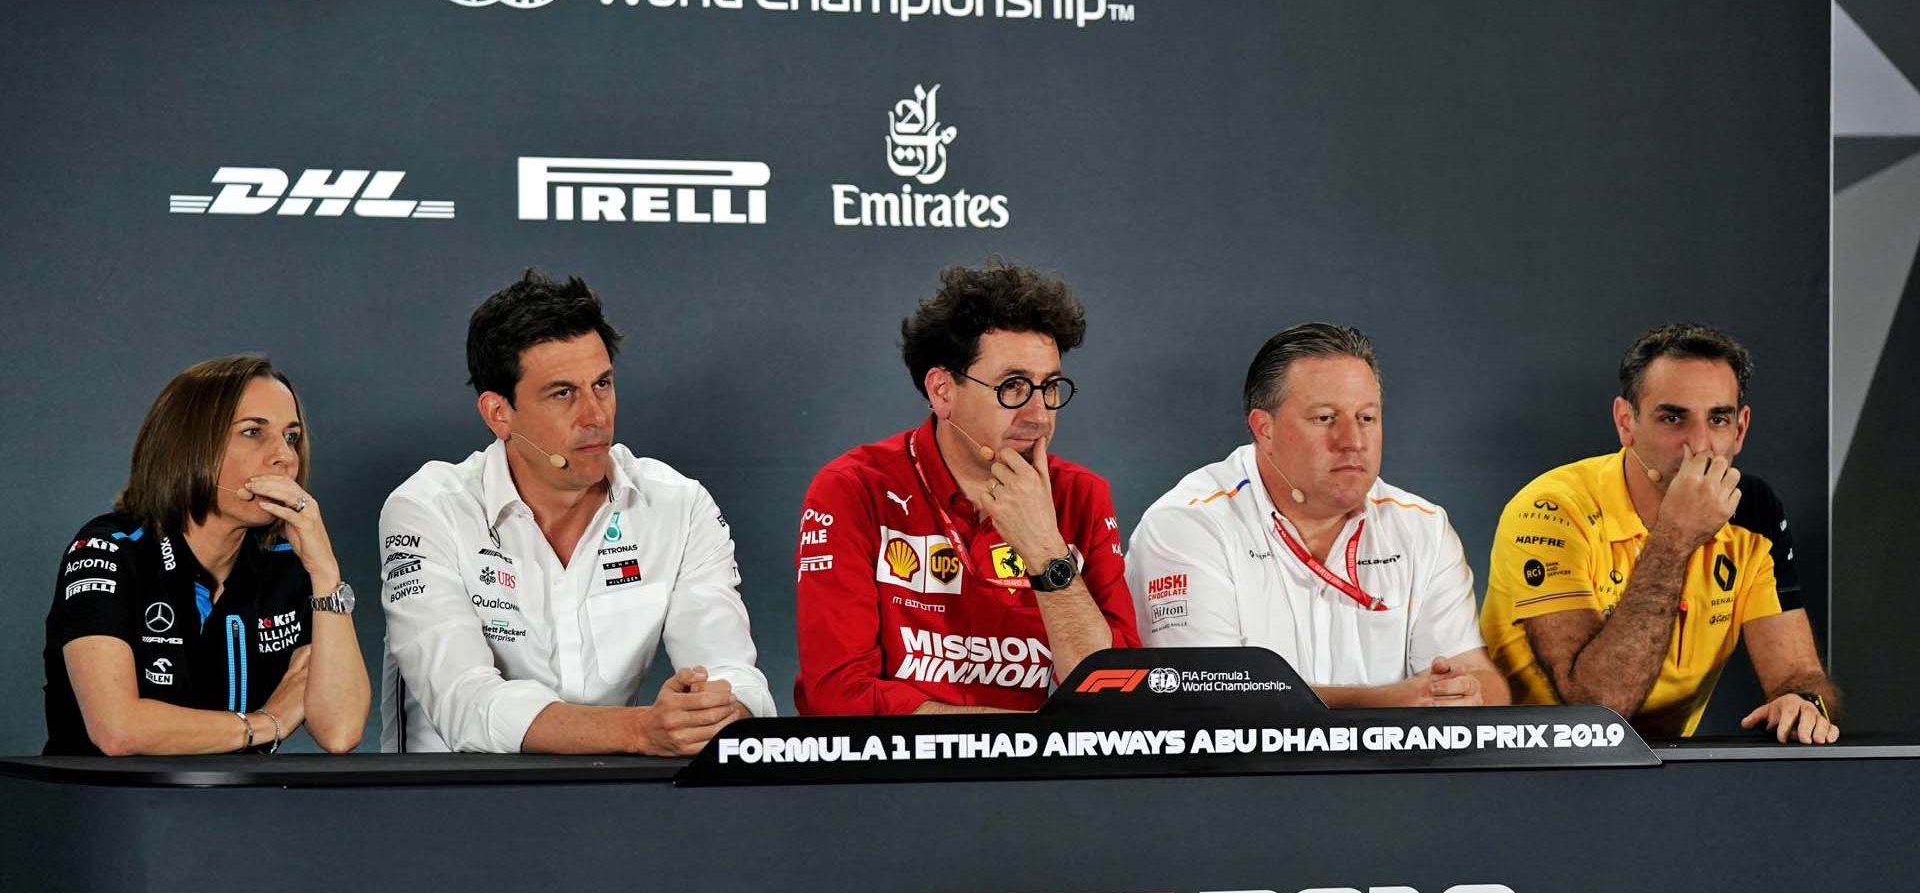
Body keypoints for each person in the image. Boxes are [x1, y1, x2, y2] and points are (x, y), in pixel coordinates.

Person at [380, 270, 772, 754]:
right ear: (498, 413)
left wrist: (720, 709)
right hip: (444, 805)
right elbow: (465, 706)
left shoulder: (679, 506)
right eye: (563, 393)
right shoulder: (426, 509)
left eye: (602, 384)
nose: (596, 415)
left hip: (605, 805)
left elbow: (733, 671)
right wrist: (639, 730)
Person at [793, 259, 1139, 715]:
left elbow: (1118, 701)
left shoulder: (1081, 496)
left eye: (1051, 387)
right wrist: (1021, 739)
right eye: (1012, 386)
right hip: (893, 777)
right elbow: (839, 696)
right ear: (941, 391)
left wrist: (1045, 553)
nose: (1039, 415)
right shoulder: (854, 489)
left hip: (1031, 781)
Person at [1480, 323, 1839, 742]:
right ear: (1625, 422)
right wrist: (1674, 538)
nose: (1700, 446)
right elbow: (1596, 711)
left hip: (1667, 773)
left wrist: (1802, 702)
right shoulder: (1551, 509)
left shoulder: (1752, 510)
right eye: (1673, 418)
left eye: (1718, 419)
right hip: (1528, 767)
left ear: (1740, 429)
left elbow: (1798, 672)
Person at [1127, 323, 1507, 707]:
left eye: (1367, 418)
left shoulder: (1423, 527)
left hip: (1393, 769)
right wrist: (1382, 704)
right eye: (1325, 418)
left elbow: (1478, 675)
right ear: (1264, 428)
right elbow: (1205, 696)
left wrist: (1464, 692)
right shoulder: (1187, 524)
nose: (1352, 442)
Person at [44, 355, 370, 755]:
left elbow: (340, 730)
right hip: (113, 810)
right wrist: (267, 723)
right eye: (253, 432)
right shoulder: (110, 549)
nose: (284, 457)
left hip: (236, 812)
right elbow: (118, 730)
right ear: (188, 446)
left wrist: (325, 571)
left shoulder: (288, 563)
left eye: (291, 437)